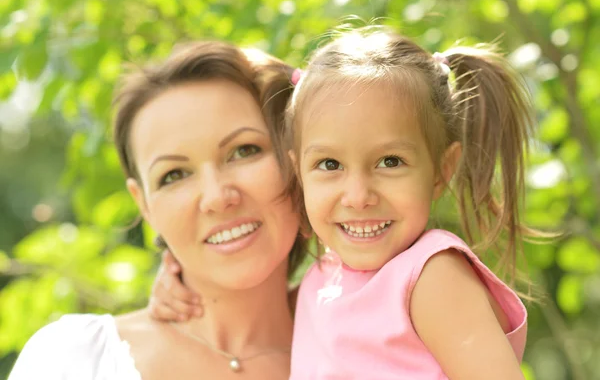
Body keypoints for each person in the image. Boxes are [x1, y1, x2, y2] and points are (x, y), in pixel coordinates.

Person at [153, 27, 542, 379]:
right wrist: (181, 281)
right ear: (299, 172)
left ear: (442, 170)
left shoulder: (431, 277)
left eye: (390, 162)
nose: (358, 197)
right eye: (329, 164)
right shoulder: (323, 279)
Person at [8, 41, 308, 380]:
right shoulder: (75, 358)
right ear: (144, 205)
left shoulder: (360, 351)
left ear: (300, 158)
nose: (217, 197)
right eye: (174, 175)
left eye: (244, 151)